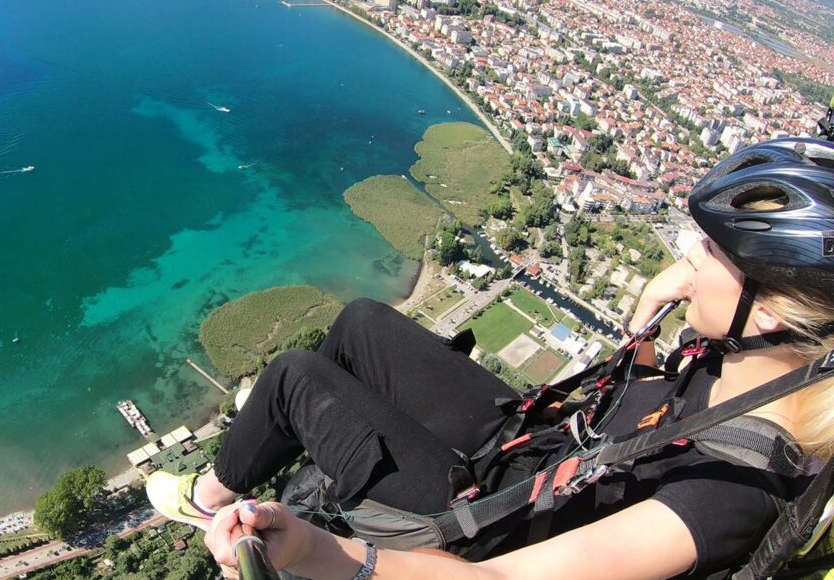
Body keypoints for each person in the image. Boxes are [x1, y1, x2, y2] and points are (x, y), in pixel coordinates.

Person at [146, 137, 834, 578]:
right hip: (526, 454)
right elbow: (641, 386)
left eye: (709, 251)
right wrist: (657, 301)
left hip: (486, 530)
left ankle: (209, 499)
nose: (686, 257)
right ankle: (308, 440)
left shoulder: (731, 494)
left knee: (296, 379)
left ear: (768, 309)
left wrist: (316, 553)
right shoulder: (730, 366)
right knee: (359, 324)